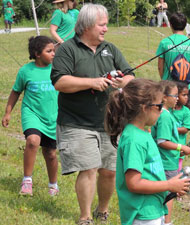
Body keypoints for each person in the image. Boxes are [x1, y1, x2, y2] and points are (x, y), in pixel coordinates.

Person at [50, 4, 134, 224]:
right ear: (87, 25)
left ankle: (102, 211)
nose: (105, 29)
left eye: (106, 24)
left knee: (108, 171)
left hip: (110, 122)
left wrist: (121, 81)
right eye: (102, 24)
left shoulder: (111, 49)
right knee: (88, 168)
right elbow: (59, 81)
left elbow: (131, 77)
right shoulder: (67, 49)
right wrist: (92, 82)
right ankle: (85, 217)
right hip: (76, 122)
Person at [104, 78, 190, 225]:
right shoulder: (134, 139)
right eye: (159, 106)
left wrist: (171, 185)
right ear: (145, 108)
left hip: (153, 209)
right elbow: (134, 184)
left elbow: (149, 173)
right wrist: (168, 186)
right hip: (143, 214)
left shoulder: (143, 134)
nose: (162, 110)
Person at [2, 36, 59, 197]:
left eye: (53, 50)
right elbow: (16, 91)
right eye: (49, 51)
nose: (53, 54)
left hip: (52, 116)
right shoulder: (26, 71)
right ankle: (27, 181)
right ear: (37, 53)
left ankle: (53, 184)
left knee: (51, 153)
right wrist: (8, 113)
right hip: (32, 113)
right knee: (33, 141)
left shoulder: (58, 69)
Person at [151, 80, 190, 225]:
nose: (177, 98)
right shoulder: (165, 116)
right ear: (163, 97)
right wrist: (182, 147)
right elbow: (162, 141)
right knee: (169, 194)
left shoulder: (163, 114)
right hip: (167, 163)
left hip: (169, 160)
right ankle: (166, 222)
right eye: (174, 95)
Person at [156, 12, 190, 114]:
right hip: (185, 87)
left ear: (170, 24)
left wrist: (164, 79)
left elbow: (160, 66)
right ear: (185, 26)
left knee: (166, 115)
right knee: (184, 116)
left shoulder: (164, 43)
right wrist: (186, 80)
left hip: (168, 86)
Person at [171, 82, 190, 172]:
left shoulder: (186, 111)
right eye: (183, 95)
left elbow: (185, 129)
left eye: (187, 95)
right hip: (168, 147)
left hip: (180, 147)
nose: (186, 97)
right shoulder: (168, 110)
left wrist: (171, 130)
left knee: (177, 169)